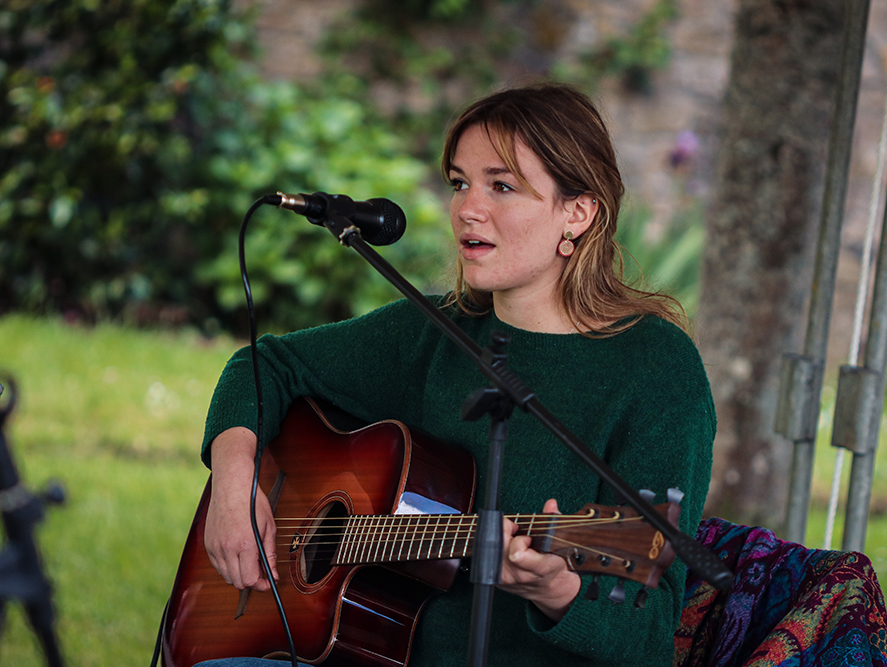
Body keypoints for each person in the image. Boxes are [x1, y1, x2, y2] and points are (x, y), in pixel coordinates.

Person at [194, 82, 715, 666]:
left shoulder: (656, 370)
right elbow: (264, 365)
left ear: (578, 212)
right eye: (461, 183)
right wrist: (234, 486)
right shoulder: (435, 330)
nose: (468, 208)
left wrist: (559, 591)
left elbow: (651, 629)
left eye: (502, 186)